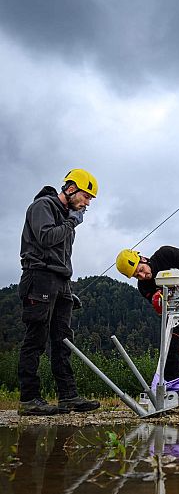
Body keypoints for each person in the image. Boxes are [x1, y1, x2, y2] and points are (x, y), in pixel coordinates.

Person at [17, 169, 101, 416]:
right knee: (36, 338)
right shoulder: (43, 206)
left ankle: (68, 396)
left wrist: (65, 288)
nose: (86, 204)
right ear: (72, 188)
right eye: (86, 197)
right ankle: (29, 399)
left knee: (63, 340)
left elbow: (61, 253)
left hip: (60, 281)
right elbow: (45, 238)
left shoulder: (67, 218)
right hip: (39, 276)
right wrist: (71, 221)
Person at [115, 246, 179, 383]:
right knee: (173, 351)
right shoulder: (144, 287)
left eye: (141, 270)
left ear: (143, 259)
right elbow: (159, 309)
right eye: (137, 276)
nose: (142, 276)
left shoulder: (164, 255)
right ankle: (172, 387)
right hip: (174, 316)